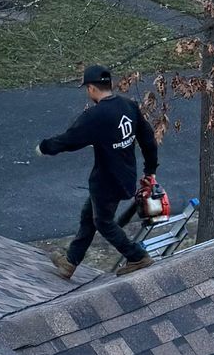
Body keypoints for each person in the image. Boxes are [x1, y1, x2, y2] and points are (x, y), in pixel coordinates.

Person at [38, 64, 159, 280]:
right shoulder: (129, 106)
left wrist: (45, 147)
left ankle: (137, 256)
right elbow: (148, 139)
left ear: (92, 89)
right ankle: (70, 262)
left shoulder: (96, 116)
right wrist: (150, 170)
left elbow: (70, 139)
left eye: (87, 89)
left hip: (106, 181)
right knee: (89, 216)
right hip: (125, 177)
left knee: (102, 222)